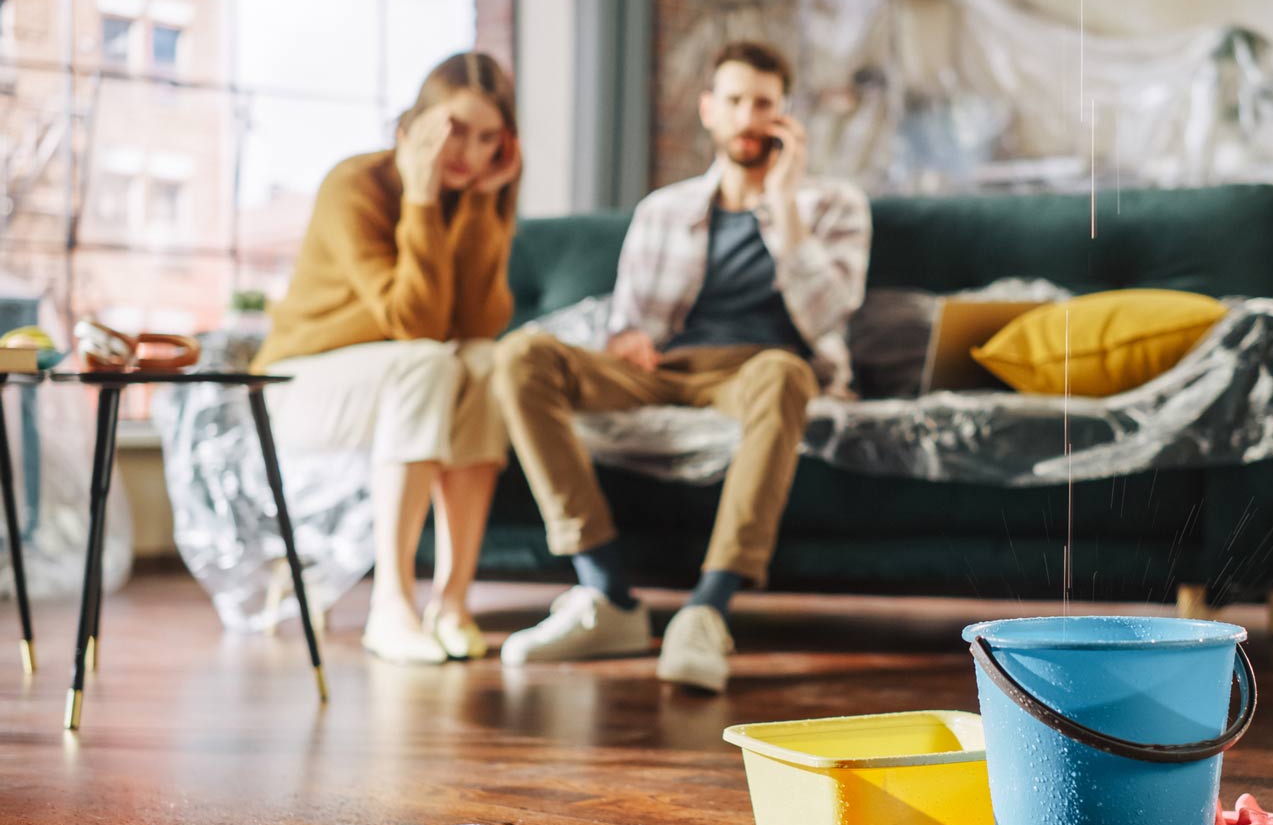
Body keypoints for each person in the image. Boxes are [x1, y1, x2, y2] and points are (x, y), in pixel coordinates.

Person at [492, 40, 871, 692]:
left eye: (764, 104)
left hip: (760, 372)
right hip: (666, 369)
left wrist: (781, 204)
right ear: (708, 110)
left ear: (785, 116)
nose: (748, 117)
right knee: (520, 355)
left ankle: (707, 610)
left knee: (785, 372)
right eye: (734, 101)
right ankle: (606, 593)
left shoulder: (832, 205)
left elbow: (830, 312)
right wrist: (629, 340)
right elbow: (630, 323)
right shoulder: (661, 210)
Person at [252, 51, 522, 665]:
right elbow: (416, 324)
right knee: (427, 360)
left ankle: (452, 602)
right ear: (413, 125)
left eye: (487, 139)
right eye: (454, 129)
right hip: (300, 384)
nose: (467, 152)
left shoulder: (475, 195)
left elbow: (480, 325)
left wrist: (481, 205)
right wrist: (422, 200)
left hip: (403, 379)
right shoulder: (356, 184)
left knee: (485, 363)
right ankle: (391, 607)